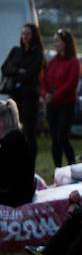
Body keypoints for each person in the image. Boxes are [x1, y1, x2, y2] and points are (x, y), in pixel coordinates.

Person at [2, 23, 45, 158]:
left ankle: (30, 159)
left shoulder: (38, 54)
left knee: (29, 130)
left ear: (33, 36)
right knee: (12, 127)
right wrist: (18, 71)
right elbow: (4, 69)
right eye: (23, 33)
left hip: (29, 95)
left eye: (28, 34)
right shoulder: (16, 51)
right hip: (15, 94)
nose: (25, 37)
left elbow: (31, 74)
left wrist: (15, 75)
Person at [41, 29, 82, 168]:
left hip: (65, 103)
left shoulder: (73, 62)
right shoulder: (53, 61)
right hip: (52, 104)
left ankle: (72, 166)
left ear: (65, 43)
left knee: (62, 137)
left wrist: (55, 96)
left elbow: (71, 83)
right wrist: (45, 94)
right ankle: (58, 167)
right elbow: (44, 79)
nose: (54, 44)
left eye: (57, 41)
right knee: (55, 138)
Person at [0, 98, 35, 207]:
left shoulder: (9, 144)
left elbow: (4, 180)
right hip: (22, 191)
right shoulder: (17, 139)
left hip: (16, 196)